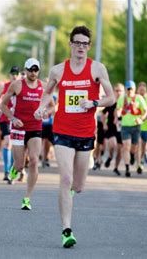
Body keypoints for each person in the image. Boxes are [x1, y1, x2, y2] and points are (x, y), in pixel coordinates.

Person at [34, 26, 115, 248]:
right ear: (70, 44)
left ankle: (71, 194)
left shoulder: (97, 69)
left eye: (85, 43)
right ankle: (66, 230)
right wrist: (43, 108)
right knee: (66, 179)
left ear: (89, 46)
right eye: (77, 42)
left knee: (78, 186)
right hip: (62, 130)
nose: (81, 47)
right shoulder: (58, 71)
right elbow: (47, 92)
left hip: (86, 132)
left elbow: (112, 97)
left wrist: (94, 103)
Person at [1, 58, 53, 211]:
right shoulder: (17, 85)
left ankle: (27, 198)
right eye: (30, 69)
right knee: (19, 165)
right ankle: (15, 168)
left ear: (39, 71)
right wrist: (13, 118)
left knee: (34, 161)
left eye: (36, 70)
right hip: (18, 128)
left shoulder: (43, 87)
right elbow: (3, 105)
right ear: (25, 70)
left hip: (35, 128)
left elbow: (52, 107)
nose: (33, 73)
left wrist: (45, 114)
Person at [116, 80, 147, 177]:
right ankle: (127, 168)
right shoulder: (122, 98)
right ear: (126, 89)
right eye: (128, 89)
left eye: (131, 89)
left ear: (134, 89)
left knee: (134, 147)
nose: (129, 91)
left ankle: (133, 155)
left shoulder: (139, 98)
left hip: (136, 126)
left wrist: (141, 119)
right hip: (125, 126)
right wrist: (118, 116)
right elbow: (118, 109)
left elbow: (145, 111)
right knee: (126, 146)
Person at [0, 66, 21, 180]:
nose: (15, 75)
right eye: (13, 73)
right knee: (8, 142)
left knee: (15, 144)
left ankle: (14, 168)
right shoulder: (4, 86)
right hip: (6, 118)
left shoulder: (23, 86)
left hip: (18, 119)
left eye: (17, 73)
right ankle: (7, 171)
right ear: (10, 75)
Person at [102, 83, 124, 175]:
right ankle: (110, 156)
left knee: (120, 149)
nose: (118, 92)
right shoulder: (111, 102)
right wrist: (104, 124)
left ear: (123, 92)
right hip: (111, 126)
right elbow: (103, 113)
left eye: (120, 91)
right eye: (117, 90)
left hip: (122, 127)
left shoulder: (125, 103)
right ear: (114, 91)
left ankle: (116, 167)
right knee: (112, 145)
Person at [137, 82, 147, 165]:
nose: (142, 91)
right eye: (140, 90)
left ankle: (144, 155)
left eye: (143, 89)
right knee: (139, 146)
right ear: (138, 90)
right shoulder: (135, 99)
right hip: (137, 127)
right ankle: (140, 162)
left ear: (146, 90)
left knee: (145, 146)